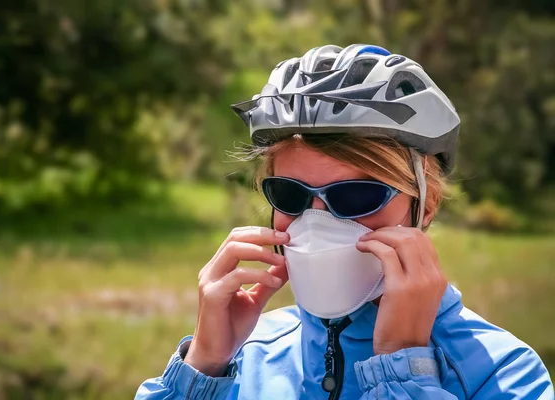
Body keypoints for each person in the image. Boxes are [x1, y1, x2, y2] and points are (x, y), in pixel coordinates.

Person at [135, 44, 554, 399]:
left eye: (355, 196)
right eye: (290, 194)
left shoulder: (503, 374)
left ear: (425, 208)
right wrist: (202, 368)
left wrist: (403, 367)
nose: (316, 223)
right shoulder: (248, 353)